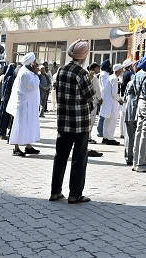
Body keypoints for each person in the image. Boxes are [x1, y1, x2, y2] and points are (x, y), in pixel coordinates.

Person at [50, 39, 96, 204]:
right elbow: (90, 95)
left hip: (63, 122)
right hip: (79, 123)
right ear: (83, 56)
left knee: (60, 157)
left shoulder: (61, 70)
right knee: (79, 158)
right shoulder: (81, 73)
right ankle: (75, 194)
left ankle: (55, 191)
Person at [9, 53, 42, 156]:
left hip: (29, 105)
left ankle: (28, 146)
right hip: (24, 106)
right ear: (31, 63)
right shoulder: (24, 73)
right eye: (35, 63)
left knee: (29, 125)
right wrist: (37, 75)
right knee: (20, 126)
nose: (37, 66)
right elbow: (32, 86)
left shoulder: (28, 72)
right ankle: (16, 148)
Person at [98, 61, 122, 145]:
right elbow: (114, 93)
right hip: (112, 104)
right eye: (121, 69)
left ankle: (105, 138)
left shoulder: (110, 77)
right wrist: (120, 100)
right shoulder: (114, 78)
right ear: (118, 70)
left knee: (107, 122)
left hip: (108, 103)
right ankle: (110, 138)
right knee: (112, 122)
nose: (122, 71)